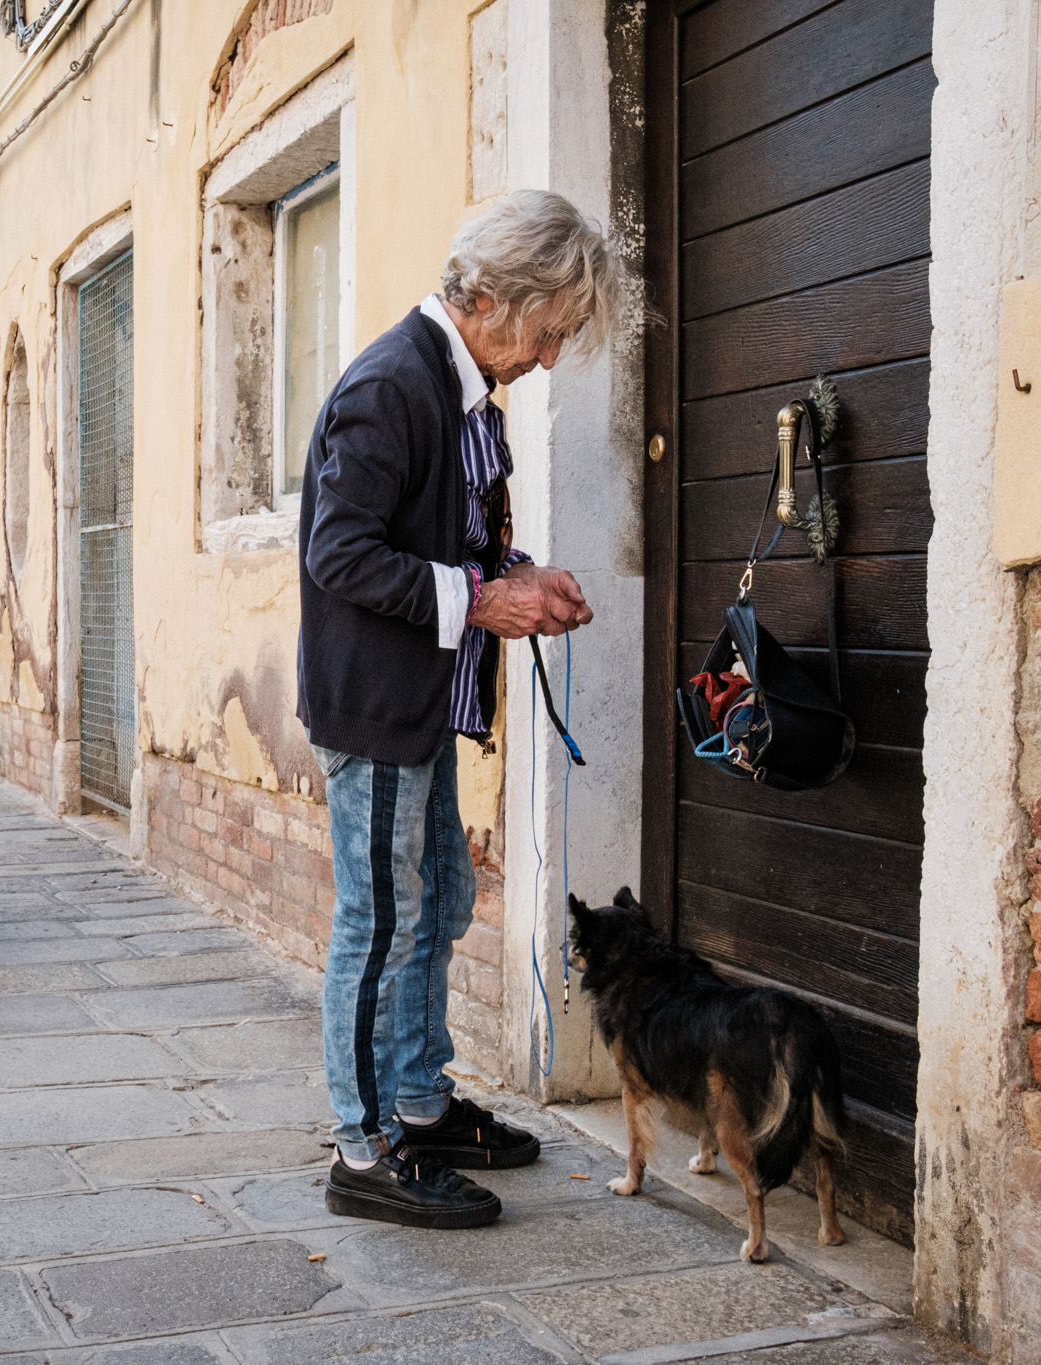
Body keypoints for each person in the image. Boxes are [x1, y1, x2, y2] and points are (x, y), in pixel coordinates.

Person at [297, 190, 616, 1230]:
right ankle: (361, 1145)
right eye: (548, 331)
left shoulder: (460, 386)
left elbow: (445, 537)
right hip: (380, 704)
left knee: (432, 899)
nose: (548, 358)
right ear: (488, 299)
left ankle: (419, 1104)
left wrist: (520, 576)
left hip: (426, 699)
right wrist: (486, 599)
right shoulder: (392, 386)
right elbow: (338, 554)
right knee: (381, 918)